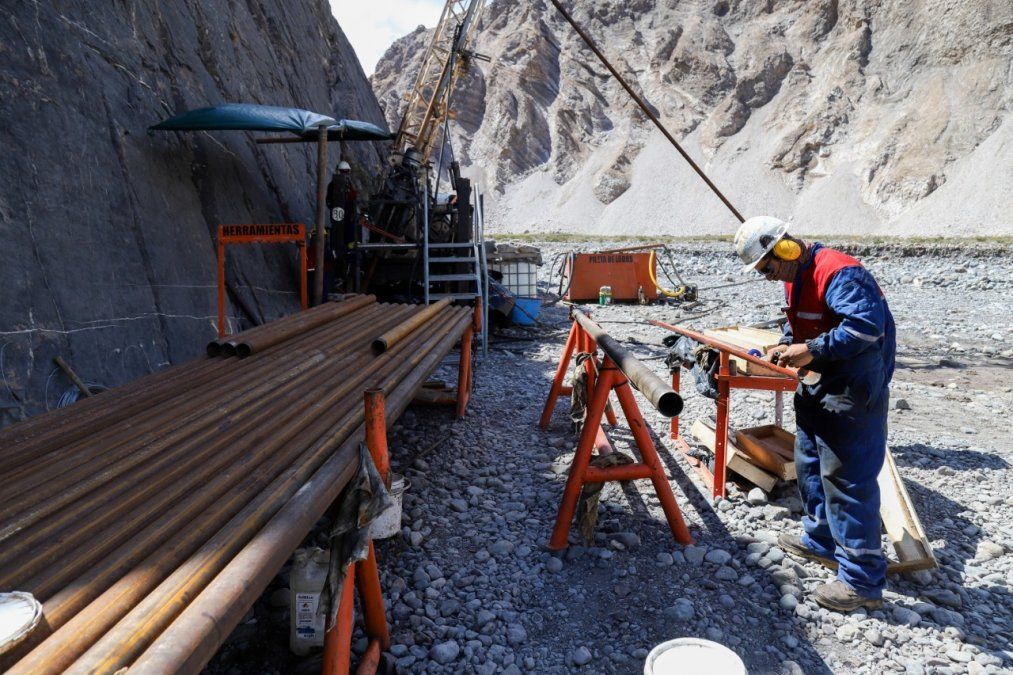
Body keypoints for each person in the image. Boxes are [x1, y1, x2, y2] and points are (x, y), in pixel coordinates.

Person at [734, 216, 896, 612]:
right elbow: (806, 322)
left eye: (767, 267)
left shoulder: (840, 272)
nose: (767, 277)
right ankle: (821, 539)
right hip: (819, 383)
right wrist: (789, 343)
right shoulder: (795, 276)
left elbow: (863, 329)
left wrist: (812, 350)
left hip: (852, 388)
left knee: (847, 477)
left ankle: (861, 581)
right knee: (809, 462)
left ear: (785, 248)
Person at [326, 160, 358, 290]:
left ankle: (347, 269)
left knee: (349, 244)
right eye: (343, 172)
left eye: (347, 172)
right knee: (337, 246)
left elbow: (353, 199)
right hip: (339, 223)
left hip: (349, 222)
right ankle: (337, 274)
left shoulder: (350, 186)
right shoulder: (333, 186)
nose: (345, 174)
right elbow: (329, 202)